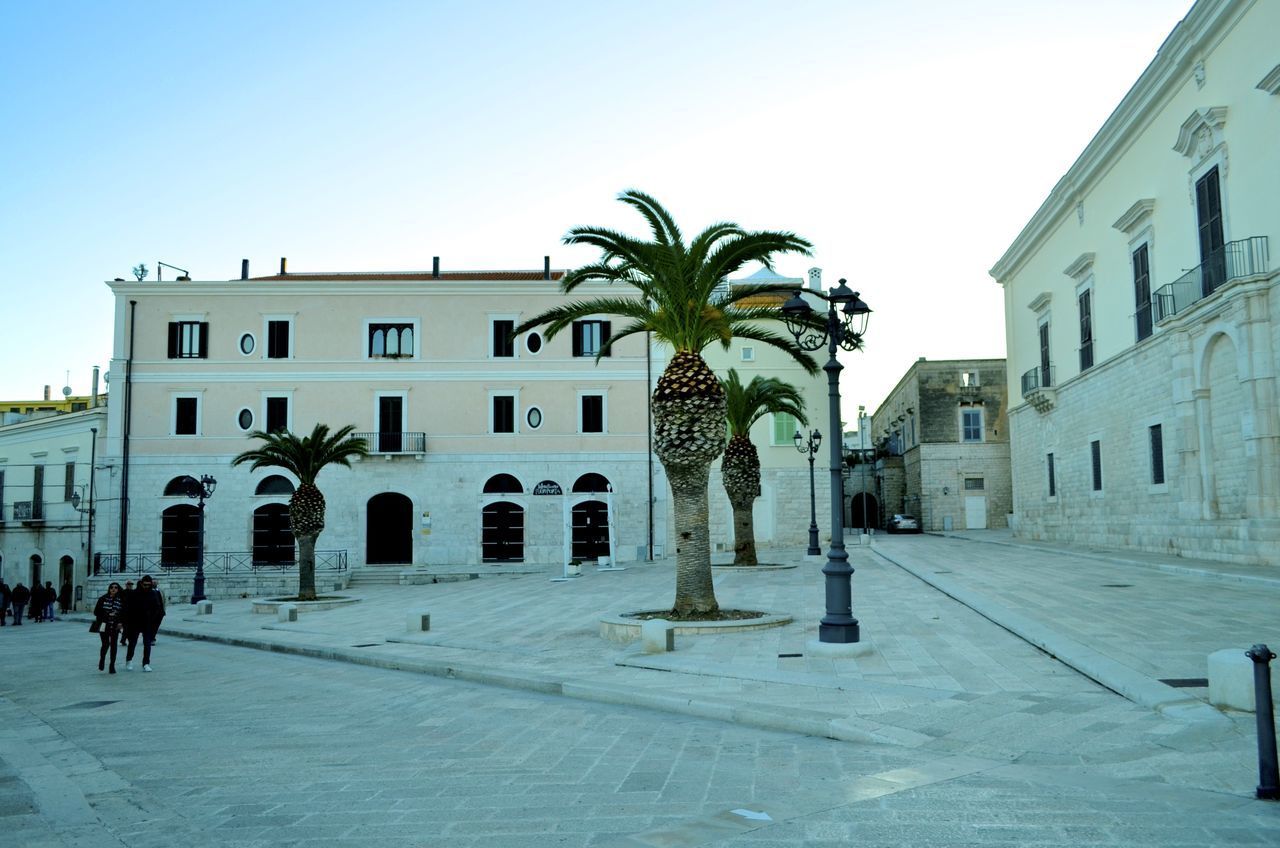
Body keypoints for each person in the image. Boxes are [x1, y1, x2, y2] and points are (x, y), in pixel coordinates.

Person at [124, 574, 165, 672]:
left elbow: (157, 607)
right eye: (145, 585)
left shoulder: (153, 594)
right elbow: (128, 608)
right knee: (132, 643)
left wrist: (152, 619)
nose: (146, 587)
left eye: (148, 585)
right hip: (135, 622)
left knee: (147, 644)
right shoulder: (134, 593)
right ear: (141, 583)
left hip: (147, 622)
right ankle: (129, 660)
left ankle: (146, 663)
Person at [93, 582, 125, 673]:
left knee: (114, 645)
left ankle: (112, 665)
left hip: (115, 625)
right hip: (104, 624)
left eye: (116, 587)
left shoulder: (121, 600)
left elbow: (123, 613)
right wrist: (107, 614)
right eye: (111, 587)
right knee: (105, 644)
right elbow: (96, 612)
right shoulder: (103, 599)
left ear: (118, 589)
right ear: (109, 589)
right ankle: (102, 659)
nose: (113, 589)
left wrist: (120, 622)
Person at [119, 580, 135, 647]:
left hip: (132, 613)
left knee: (129, 628)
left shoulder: (134, 592)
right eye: (128, 584)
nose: (130, 585)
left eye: (131, 584)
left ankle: (124, 640)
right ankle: (124, 640)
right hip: (124, 613)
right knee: (126, 628)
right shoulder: (123, 592)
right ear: (126, 585)